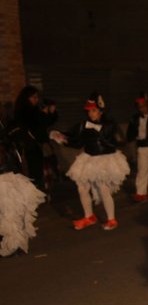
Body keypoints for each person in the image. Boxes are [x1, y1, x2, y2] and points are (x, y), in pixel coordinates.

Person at [51, 94, 130, 230]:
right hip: (88, 158)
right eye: (88, 111)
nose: (90, 113)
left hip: (104, 159)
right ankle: (89, 217)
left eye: (93, 110)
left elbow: (120, 141)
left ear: (101, 111)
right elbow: (76, 141)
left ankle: (111, 219)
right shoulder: (84, 125)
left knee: (104, 189)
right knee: (82, 187)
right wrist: (62, 138)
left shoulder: (110, 124)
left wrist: (100, 134)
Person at [0, 120, 45, 257]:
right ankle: (15, 245)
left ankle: (14, 246)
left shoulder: (5, 142)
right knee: (12, 213)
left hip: (5, 179)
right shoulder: (7, 138)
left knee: (9, 214)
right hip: (11, 177)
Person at [12, 86, 58, 189]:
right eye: (33, 97)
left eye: (37, 97)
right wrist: (45, 114)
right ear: (26, 98)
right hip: (32, 146)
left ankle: (43, 191)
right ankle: (39, 192)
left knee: (42, 171)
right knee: (36, 172)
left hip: (37, 145)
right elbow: (38, 125)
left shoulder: (33, 110)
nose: (36, 99)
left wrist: (50, 113)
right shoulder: (26, 111)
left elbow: (45, 123)